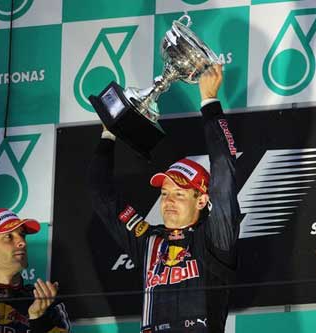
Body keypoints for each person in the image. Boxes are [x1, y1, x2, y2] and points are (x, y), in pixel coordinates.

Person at [88, 64, 240, 332]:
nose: (168, 201)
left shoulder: (215, 238)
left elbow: (224, 173)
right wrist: (108, 134)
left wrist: (209, 103)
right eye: (164, 192)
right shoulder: (148, 240)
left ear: (202, 200)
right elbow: (101, 195)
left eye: (180, 194)